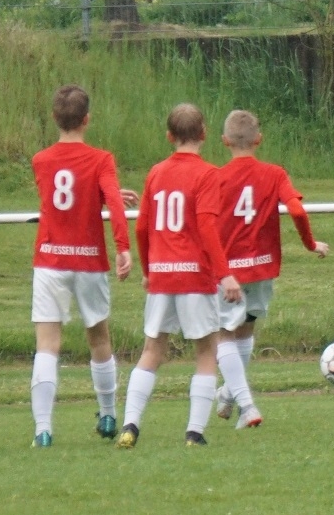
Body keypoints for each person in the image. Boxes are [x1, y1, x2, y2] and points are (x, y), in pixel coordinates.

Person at [116, 103, 243, 448]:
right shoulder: (208, 174)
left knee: (152, 350)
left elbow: (142, 227)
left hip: (161, 274)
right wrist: (225, 274)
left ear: (169, 136)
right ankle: (194, 433)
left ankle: (130, 425)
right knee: (206, 351)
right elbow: (206, 228)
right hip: (194, 275)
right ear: (204, 134)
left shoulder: (156, 173)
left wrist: (148, 270)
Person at [29, 84, 133, 448]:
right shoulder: (101, 159)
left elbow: (62, 197)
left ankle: (43, 430)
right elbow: (113, 206)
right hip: (88, 259)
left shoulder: (41, 160)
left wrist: (103, 193)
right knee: (99, 338)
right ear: (87, 119)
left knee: (47, 344)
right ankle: (108, 415)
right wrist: (123, 247)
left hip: (51, 258)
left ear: (54, 118)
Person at [213, 110, 329, 428]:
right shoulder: (274, 174)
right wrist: (310, 244)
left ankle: (247, 405)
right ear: (259, 140)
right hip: (262, 267)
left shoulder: (216, 177)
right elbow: (297, 211)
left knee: (224, 335)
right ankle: (228, 395)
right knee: (245, 330)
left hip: (228, 271)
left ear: (224, 141)